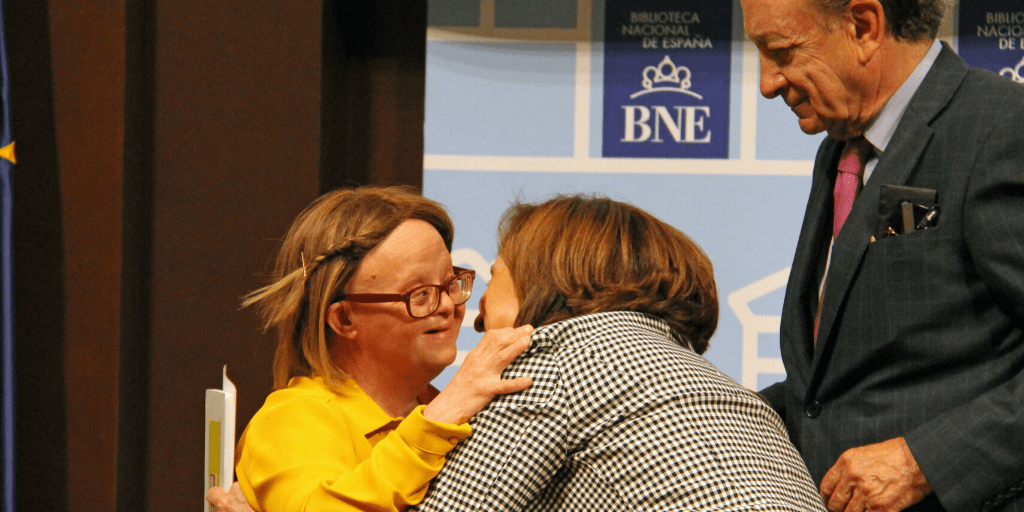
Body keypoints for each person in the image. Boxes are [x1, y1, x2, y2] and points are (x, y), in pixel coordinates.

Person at [742, 0, 1024, 511]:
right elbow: (836, 388)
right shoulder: (842, 148)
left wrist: (925, 463)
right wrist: (714, 413)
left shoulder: (1003, 127)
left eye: (780, 52)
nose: (767, 83)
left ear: (864, 26)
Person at [412, 195, 826, 511]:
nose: (478, 314)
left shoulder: (554, 358)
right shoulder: (717, 385)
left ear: (543, 276)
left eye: (493, 278)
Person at [215, 186, 533, 512]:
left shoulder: (451, 409)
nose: (449, 306)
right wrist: (439, 419)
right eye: (421, 294)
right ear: (344, 319)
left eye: (451, 282)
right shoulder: (292, 419)